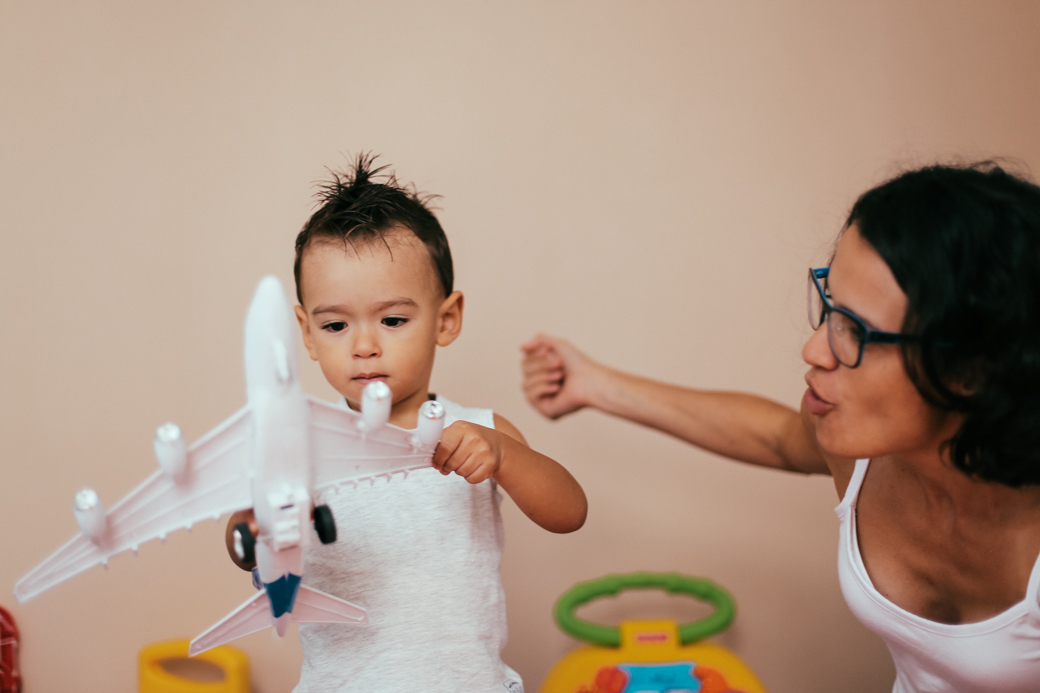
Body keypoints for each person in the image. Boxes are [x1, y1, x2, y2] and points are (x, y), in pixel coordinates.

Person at [521, 162, 1040, 693]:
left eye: (855, 330)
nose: (814, 349)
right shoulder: (865, 452)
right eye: (830, 307)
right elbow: (777, 437)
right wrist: (594, 384)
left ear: (973, 368)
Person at [227, 155, 587, 693]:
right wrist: (255, 525)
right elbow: (241, 538)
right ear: (306, 332)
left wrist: (505, 455)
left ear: (446, 319)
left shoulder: (481, 431)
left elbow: (570, 513)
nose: (364, 345)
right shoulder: (298, 445)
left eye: (393, 320)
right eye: (335, 325)